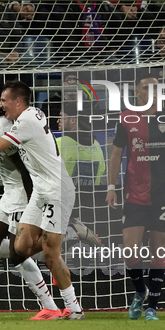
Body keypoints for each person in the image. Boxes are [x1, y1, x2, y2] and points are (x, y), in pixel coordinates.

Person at [0, 81, 84, 319]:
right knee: (20, 248)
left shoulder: (24, 124)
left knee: (50, 254)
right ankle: (62, 238)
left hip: (54, 190)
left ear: (18, 102)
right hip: (40, 190)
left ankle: (73, 308)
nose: (1, 106)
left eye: (4, 101)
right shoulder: (30, 114)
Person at [105, 72, 165, 321]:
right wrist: (110, 186)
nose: (152, 91)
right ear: (137, 92)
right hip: (134, 195)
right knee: (130, 252)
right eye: (146, 87)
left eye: (156, 87)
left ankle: (152, 308)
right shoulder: (126, 118)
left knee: (158, 251)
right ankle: (140, 290)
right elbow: (116, 155)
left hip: (163, 195)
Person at [56, 102, 104, 247]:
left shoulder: (59, 144)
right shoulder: (98, 147)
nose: (57, 120)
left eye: (61, 117)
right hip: (89, 206)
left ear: (73, 120)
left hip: (60, 205)